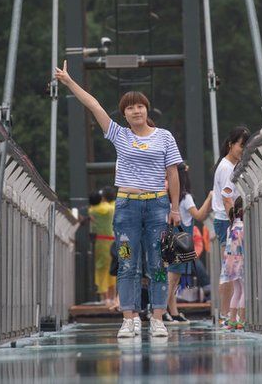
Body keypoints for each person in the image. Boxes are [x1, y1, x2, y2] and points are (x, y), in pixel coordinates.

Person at [54, 61, 183, 339]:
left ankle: (158, 316)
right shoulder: (119, 134)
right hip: (127, 208)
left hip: (157, 205)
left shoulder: (164, 137)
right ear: (124, 114)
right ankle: (129, 317)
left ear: (147, 110)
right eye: (129, 107)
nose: (136, 111)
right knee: (127, 261)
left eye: (140, 106)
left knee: (158, 262)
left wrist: (175, 208)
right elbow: (95, 106)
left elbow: (172, 173)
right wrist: (68, 81)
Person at [164, 163, 213, 325]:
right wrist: (210, 198)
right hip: (181, 242)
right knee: (173, 280)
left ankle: (173, 311)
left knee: (173, 278)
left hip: (170, 239)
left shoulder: (168, 197)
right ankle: (162, 310)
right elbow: (199, 216)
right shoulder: (186, 198)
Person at [212, 126, 249, 326]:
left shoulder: (231, 165)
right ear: (230, 145)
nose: (243, 150)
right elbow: (227, 198)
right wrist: (235, 222)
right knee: (230, 270)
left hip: (228, 220)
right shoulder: (227, 168)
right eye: (241, 145)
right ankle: (226, 314)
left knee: (230, 270)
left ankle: (227, 314)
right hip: (227, 220)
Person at [88, 189, 117, 308]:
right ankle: (113, 297)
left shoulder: (92, 210)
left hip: (101, 241)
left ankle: (105, 298)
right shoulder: (112, 208)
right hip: (113, 240)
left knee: (101, 268)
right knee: (113, 268)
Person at [221, 199, 245, 330]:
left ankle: (231, 321)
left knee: (237, 291)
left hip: (229, 264)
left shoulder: (231, 227)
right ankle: (242, 320)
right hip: (241, 261)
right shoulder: (243, 226)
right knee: (244, 291)